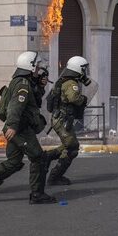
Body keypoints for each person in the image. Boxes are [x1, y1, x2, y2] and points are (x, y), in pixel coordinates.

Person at [0, 51, 57, 204]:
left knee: (14, 161)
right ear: (30, 66)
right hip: (20, 129)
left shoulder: (22, 81)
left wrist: (40, 86)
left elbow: (33, 102)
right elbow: (15, 106)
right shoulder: (23, 84)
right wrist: (12, 126)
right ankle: (37, 195)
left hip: (17, 128)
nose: (39, 69)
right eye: (37, 66)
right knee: (38, 158)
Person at [46, 56, 90, 186]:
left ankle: (48, 157)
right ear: (78, 69)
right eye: (83, 69)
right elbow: (73, 98)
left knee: (70, 145)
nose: (84, 72)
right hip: (62, 119)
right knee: (72, 148)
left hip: (60, 118)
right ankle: (54, 177)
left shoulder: (64, 80)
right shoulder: (71, 83)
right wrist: (83, 99)